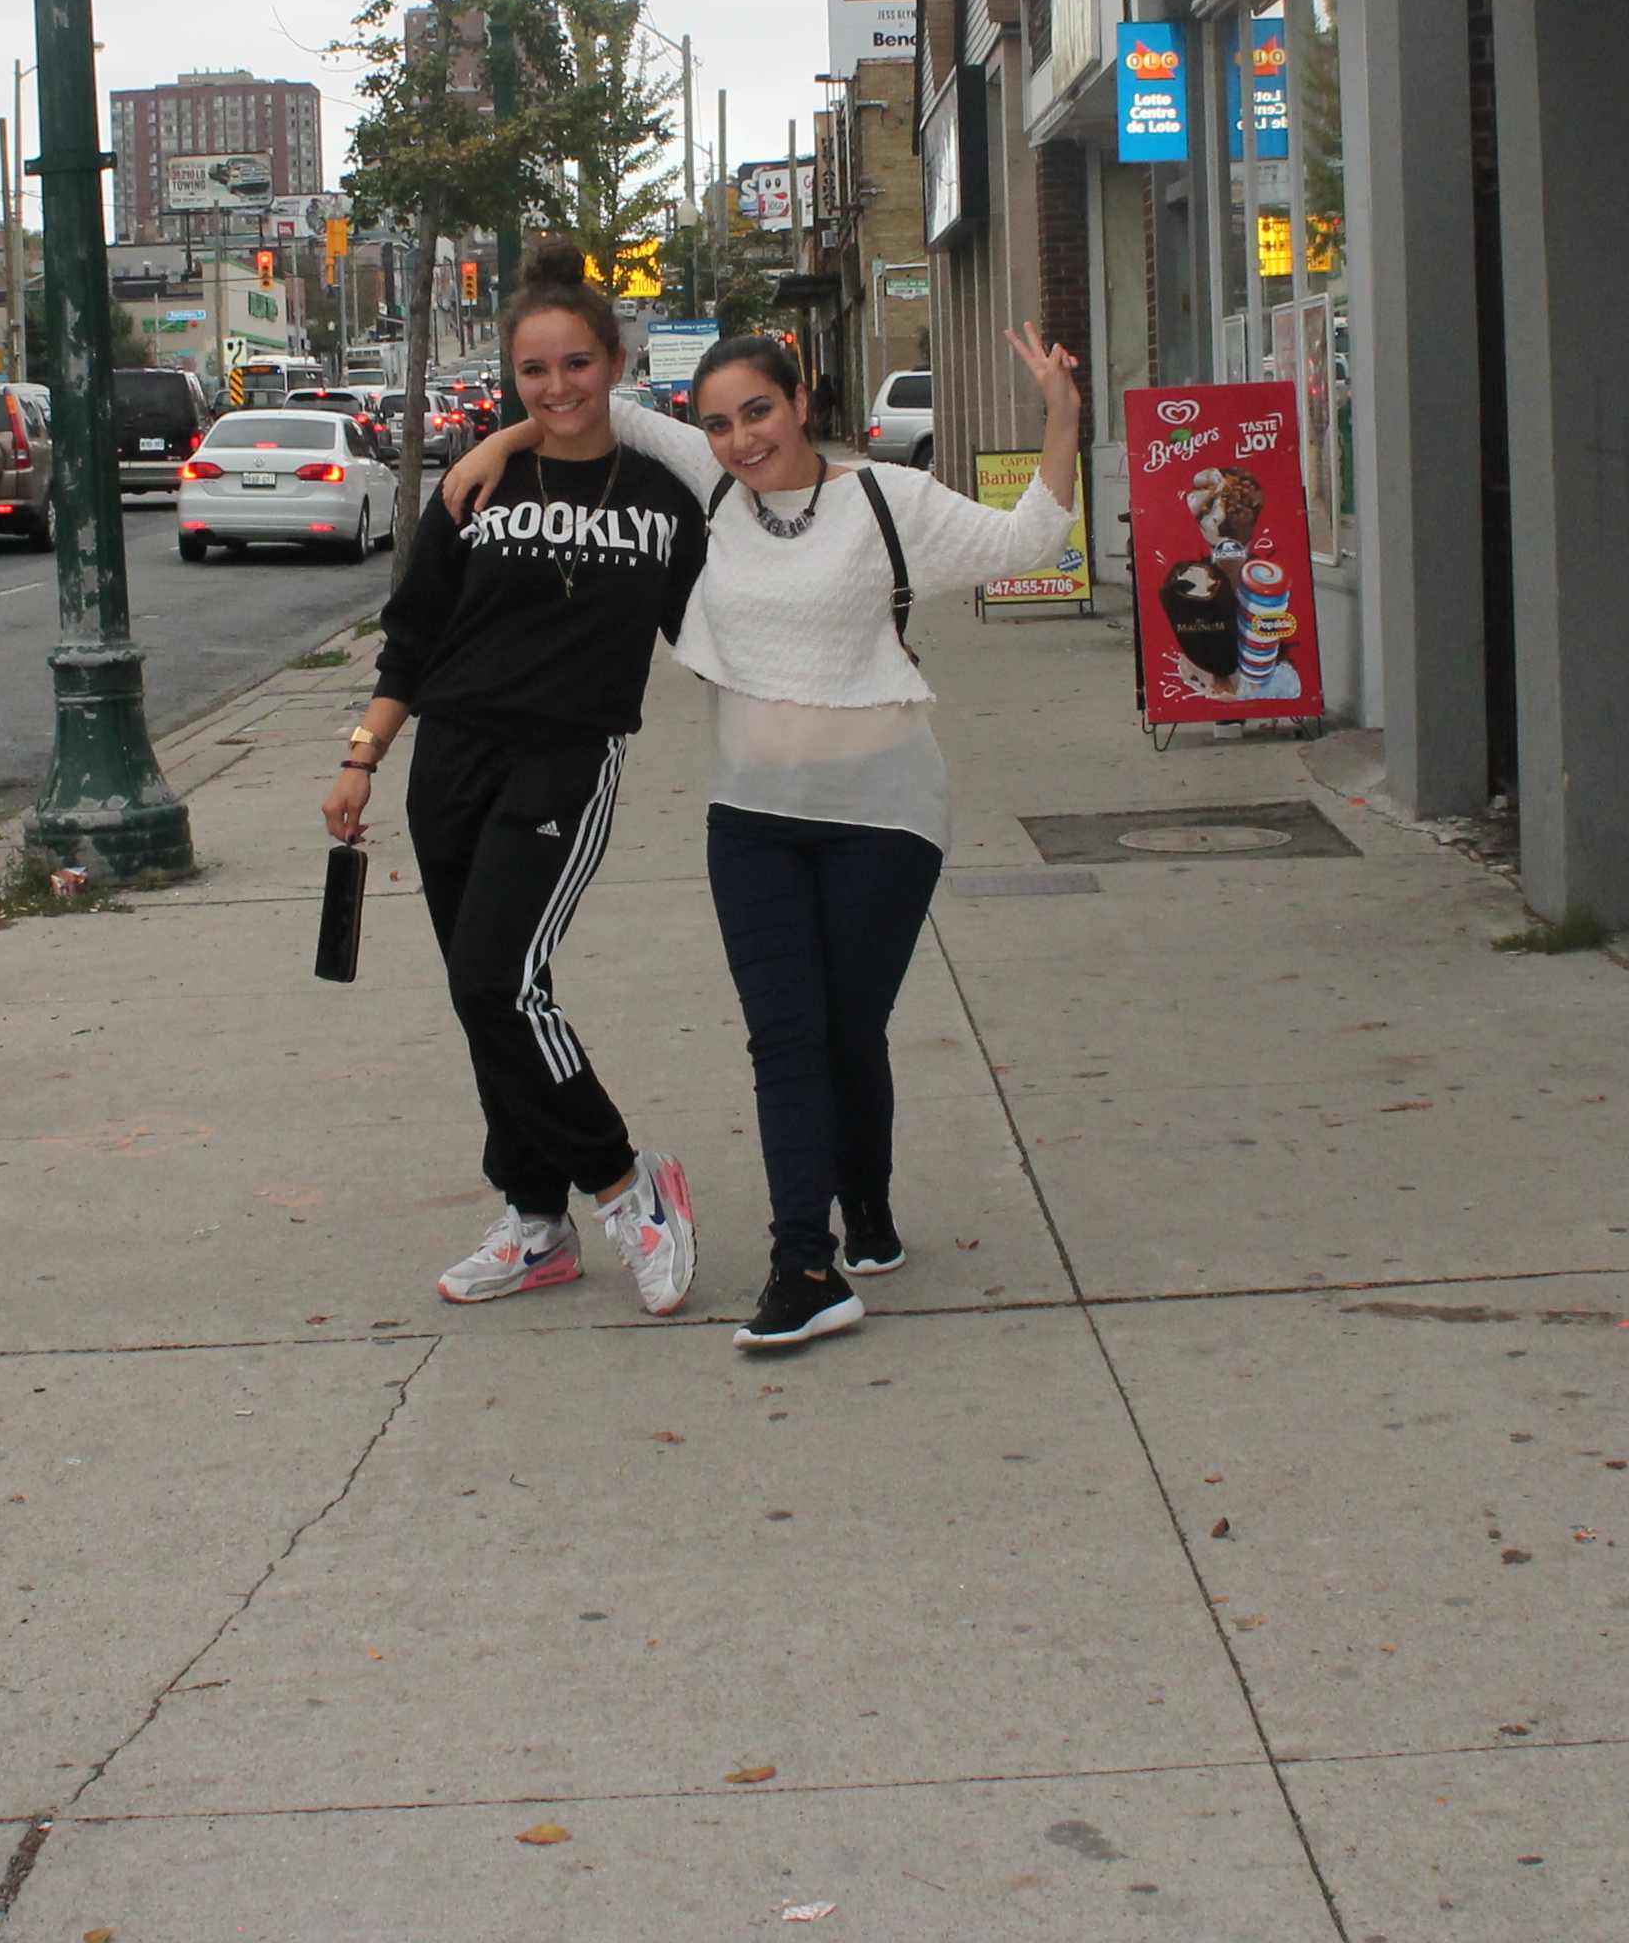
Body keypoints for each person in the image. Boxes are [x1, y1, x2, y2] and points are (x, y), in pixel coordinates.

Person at [443, 322, 1083, 1353]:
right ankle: (804, 1266)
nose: (740, 439)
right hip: (751, 820)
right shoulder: (711, 488)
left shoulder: (889, 500)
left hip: (883, 816)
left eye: (759, 412)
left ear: (802, 402)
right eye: (719, 423)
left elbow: (1028, 542)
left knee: (847, 1031)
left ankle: (864, 1204)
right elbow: (597, 408)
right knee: (786, 1036)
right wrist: (499, 441)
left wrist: (1062, 418)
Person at [326, 242, 711, 1316]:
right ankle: (536, 1220)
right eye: (533, 370)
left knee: (501, 983)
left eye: (577, 363)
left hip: (565, 760)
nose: (556, 387)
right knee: (482, 996)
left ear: (616, 362)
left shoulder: (665, 499)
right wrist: (363, 754)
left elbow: (717, 626)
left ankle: (628, 1188)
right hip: (449, 759)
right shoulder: (476, 484)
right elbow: (414, 632)